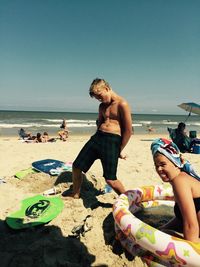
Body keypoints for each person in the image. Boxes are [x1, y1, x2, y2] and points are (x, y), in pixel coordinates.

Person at [62, 78, 133, 198]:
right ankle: (75, 193)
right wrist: (96, 136)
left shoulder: (122, 104)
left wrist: (119, 149)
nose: (99, 100)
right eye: (97, 98)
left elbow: (128, 131)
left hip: (112, 141)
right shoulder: (102, 106)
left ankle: (130, 201)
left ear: (106, 88)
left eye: (100, 96)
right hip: (97, 138)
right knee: (76, 166)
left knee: (110, 180)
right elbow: (99, 123)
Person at [151, 138, 200, 242]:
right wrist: (163, 228)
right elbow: (181, 217)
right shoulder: (181, 179)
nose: (159, 169)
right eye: (156, 166)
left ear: (175, 162)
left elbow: (191, 225)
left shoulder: (180, 182)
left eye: (163, 164)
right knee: (162, 232)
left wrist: (190, 254)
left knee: (160, 237)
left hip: (196, 234)